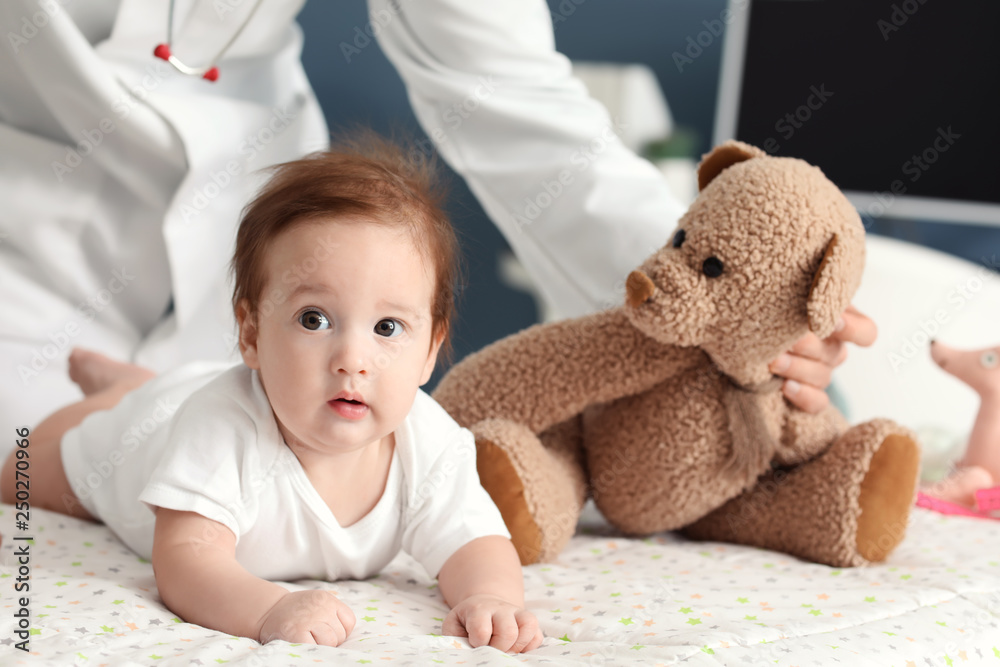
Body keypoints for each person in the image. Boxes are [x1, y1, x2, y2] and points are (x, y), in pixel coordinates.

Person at [0, 0, 874, 462]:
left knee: (290, 473)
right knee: (51, 476)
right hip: (21, 237)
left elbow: (508, 89)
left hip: (273, 222)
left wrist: (721, 295)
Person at [0, 133, 544, 652]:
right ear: (252, 333)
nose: (352, 361)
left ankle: (131, 380)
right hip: (141, 435)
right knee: (17, 476)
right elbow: (185, 559)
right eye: (314, 319)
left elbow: (475, 540)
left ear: (430, 350)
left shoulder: (431, 442)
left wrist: (489, 597)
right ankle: (120, 393)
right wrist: (267, 611)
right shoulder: (220, 428)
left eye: (387, 328)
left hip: (185, 394)